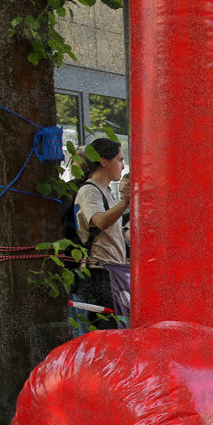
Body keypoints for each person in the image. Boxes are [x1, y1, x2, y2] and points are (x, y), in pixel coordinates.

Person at [75, 137, 130, 328]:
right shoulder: (90, 191)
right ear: (104, 162)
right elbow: (99, 221)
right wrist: (125, 203)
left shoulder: (106, 190)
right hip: (98, 274)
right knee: (106, 333)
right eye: (120, 160)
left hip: (112, 272)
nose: (123, 166)